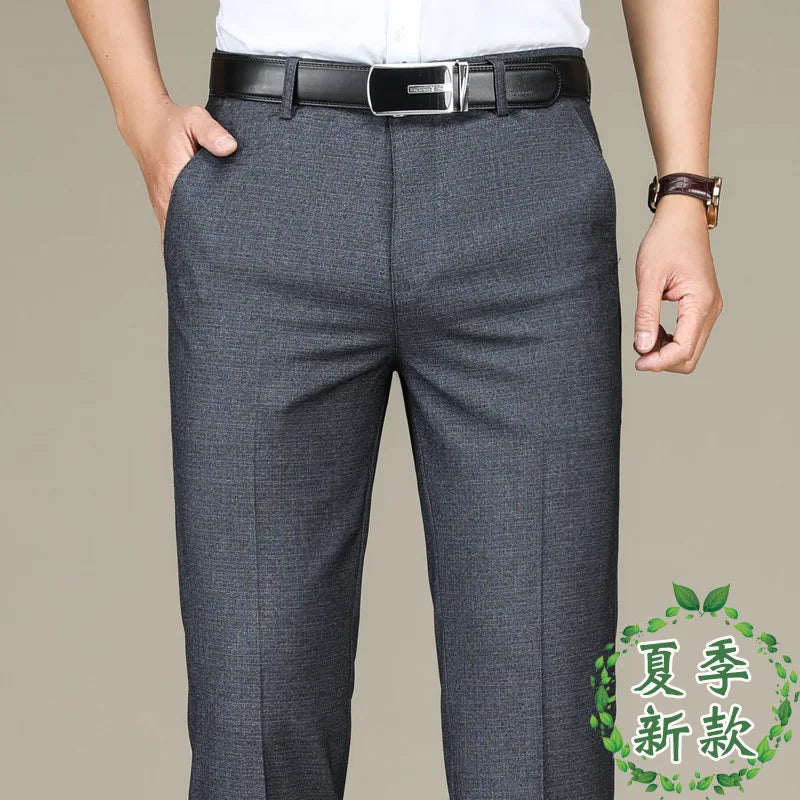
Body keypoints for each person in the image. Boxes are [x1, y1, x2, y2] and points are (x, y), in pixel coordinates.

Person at [65, 1, 723, 798]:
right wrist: (140, 113)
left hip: (524, 181)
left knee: (543, 728)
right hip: (269, 172)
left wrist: (685, 187)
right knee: (254, 721)